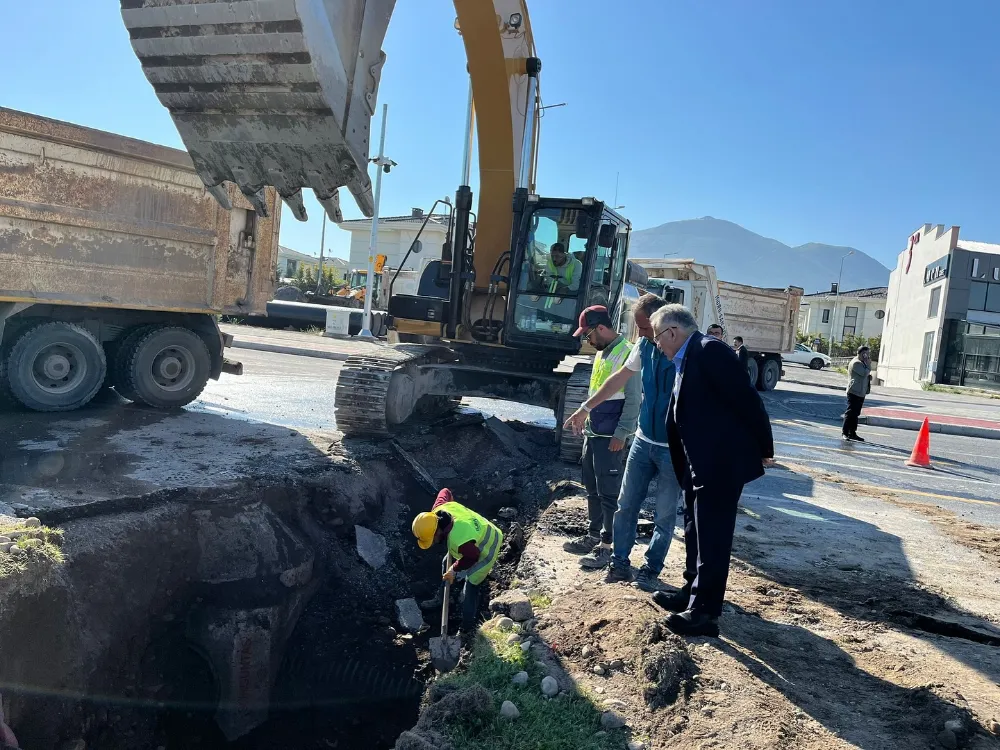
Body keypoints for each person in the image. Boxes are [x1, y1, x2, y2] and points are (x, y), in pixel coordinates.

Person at [648, 304, 774, 637]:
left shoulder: (710, 351)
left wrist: (764, 448)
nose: (656, 344)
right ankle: (691, 594)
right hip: (698, 463)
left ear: (672, 332)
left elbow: (747, 400)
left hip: (720, 463)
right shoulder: (687, 357)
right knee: (695, 530)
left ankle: (704, 613)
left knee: (713, 537)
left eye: (657, 337)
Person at [564, 294, 684, 590]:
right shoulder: (642, 346)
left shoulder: (684, 352)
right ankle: (618, 562)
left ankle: (651, 568)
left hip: (670, 446)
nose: (640, 334)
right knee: (624, 504)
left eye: (644, 328)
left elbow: (632, 398)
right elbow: (616, 380)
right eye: (640, 327)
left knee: (664, 514)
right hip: (641, 439)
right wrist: (585, 409)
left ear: (664, 324)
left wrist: (621, 433)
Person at [562, 305, 640, 570]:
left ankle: (608, 546)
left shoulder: (627, 354)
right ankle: (594, 535)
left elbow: (633, 400)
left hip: (611, 436)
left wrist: (622, 433)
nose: (587, 340)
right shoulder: (603, 352)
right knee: (592, 488)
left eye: (588, 335)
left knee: (609, 493)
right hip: (594, 432)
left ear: (601, 329)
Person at [411, 488, 504, 633]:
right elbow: (445, 491)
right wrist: (452, 568)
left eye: (432, 539)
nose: (434, 542)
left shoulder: (458, 539)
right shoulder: (438, 511)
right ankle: (442, 598)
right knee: (445, 562)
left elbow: (473, 556)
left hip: (488, 545)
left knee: (471, 584)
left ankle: (467, 627)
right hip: (473, 535)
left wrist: (454, 569)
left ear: (437, 531)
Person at [843, 345, 872, 442]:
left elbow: (866, 375)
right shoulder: (856, 363)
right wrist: (868, 365)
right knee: (850, 412)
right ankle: (845, 432)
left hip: (861, 392)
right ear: (862, 353)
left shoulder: (863, 363)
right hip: (854, 391)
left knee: (856, 413)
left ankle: (852, 433)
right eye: (866, 354)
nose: (868, 356)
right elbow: (864, 373)